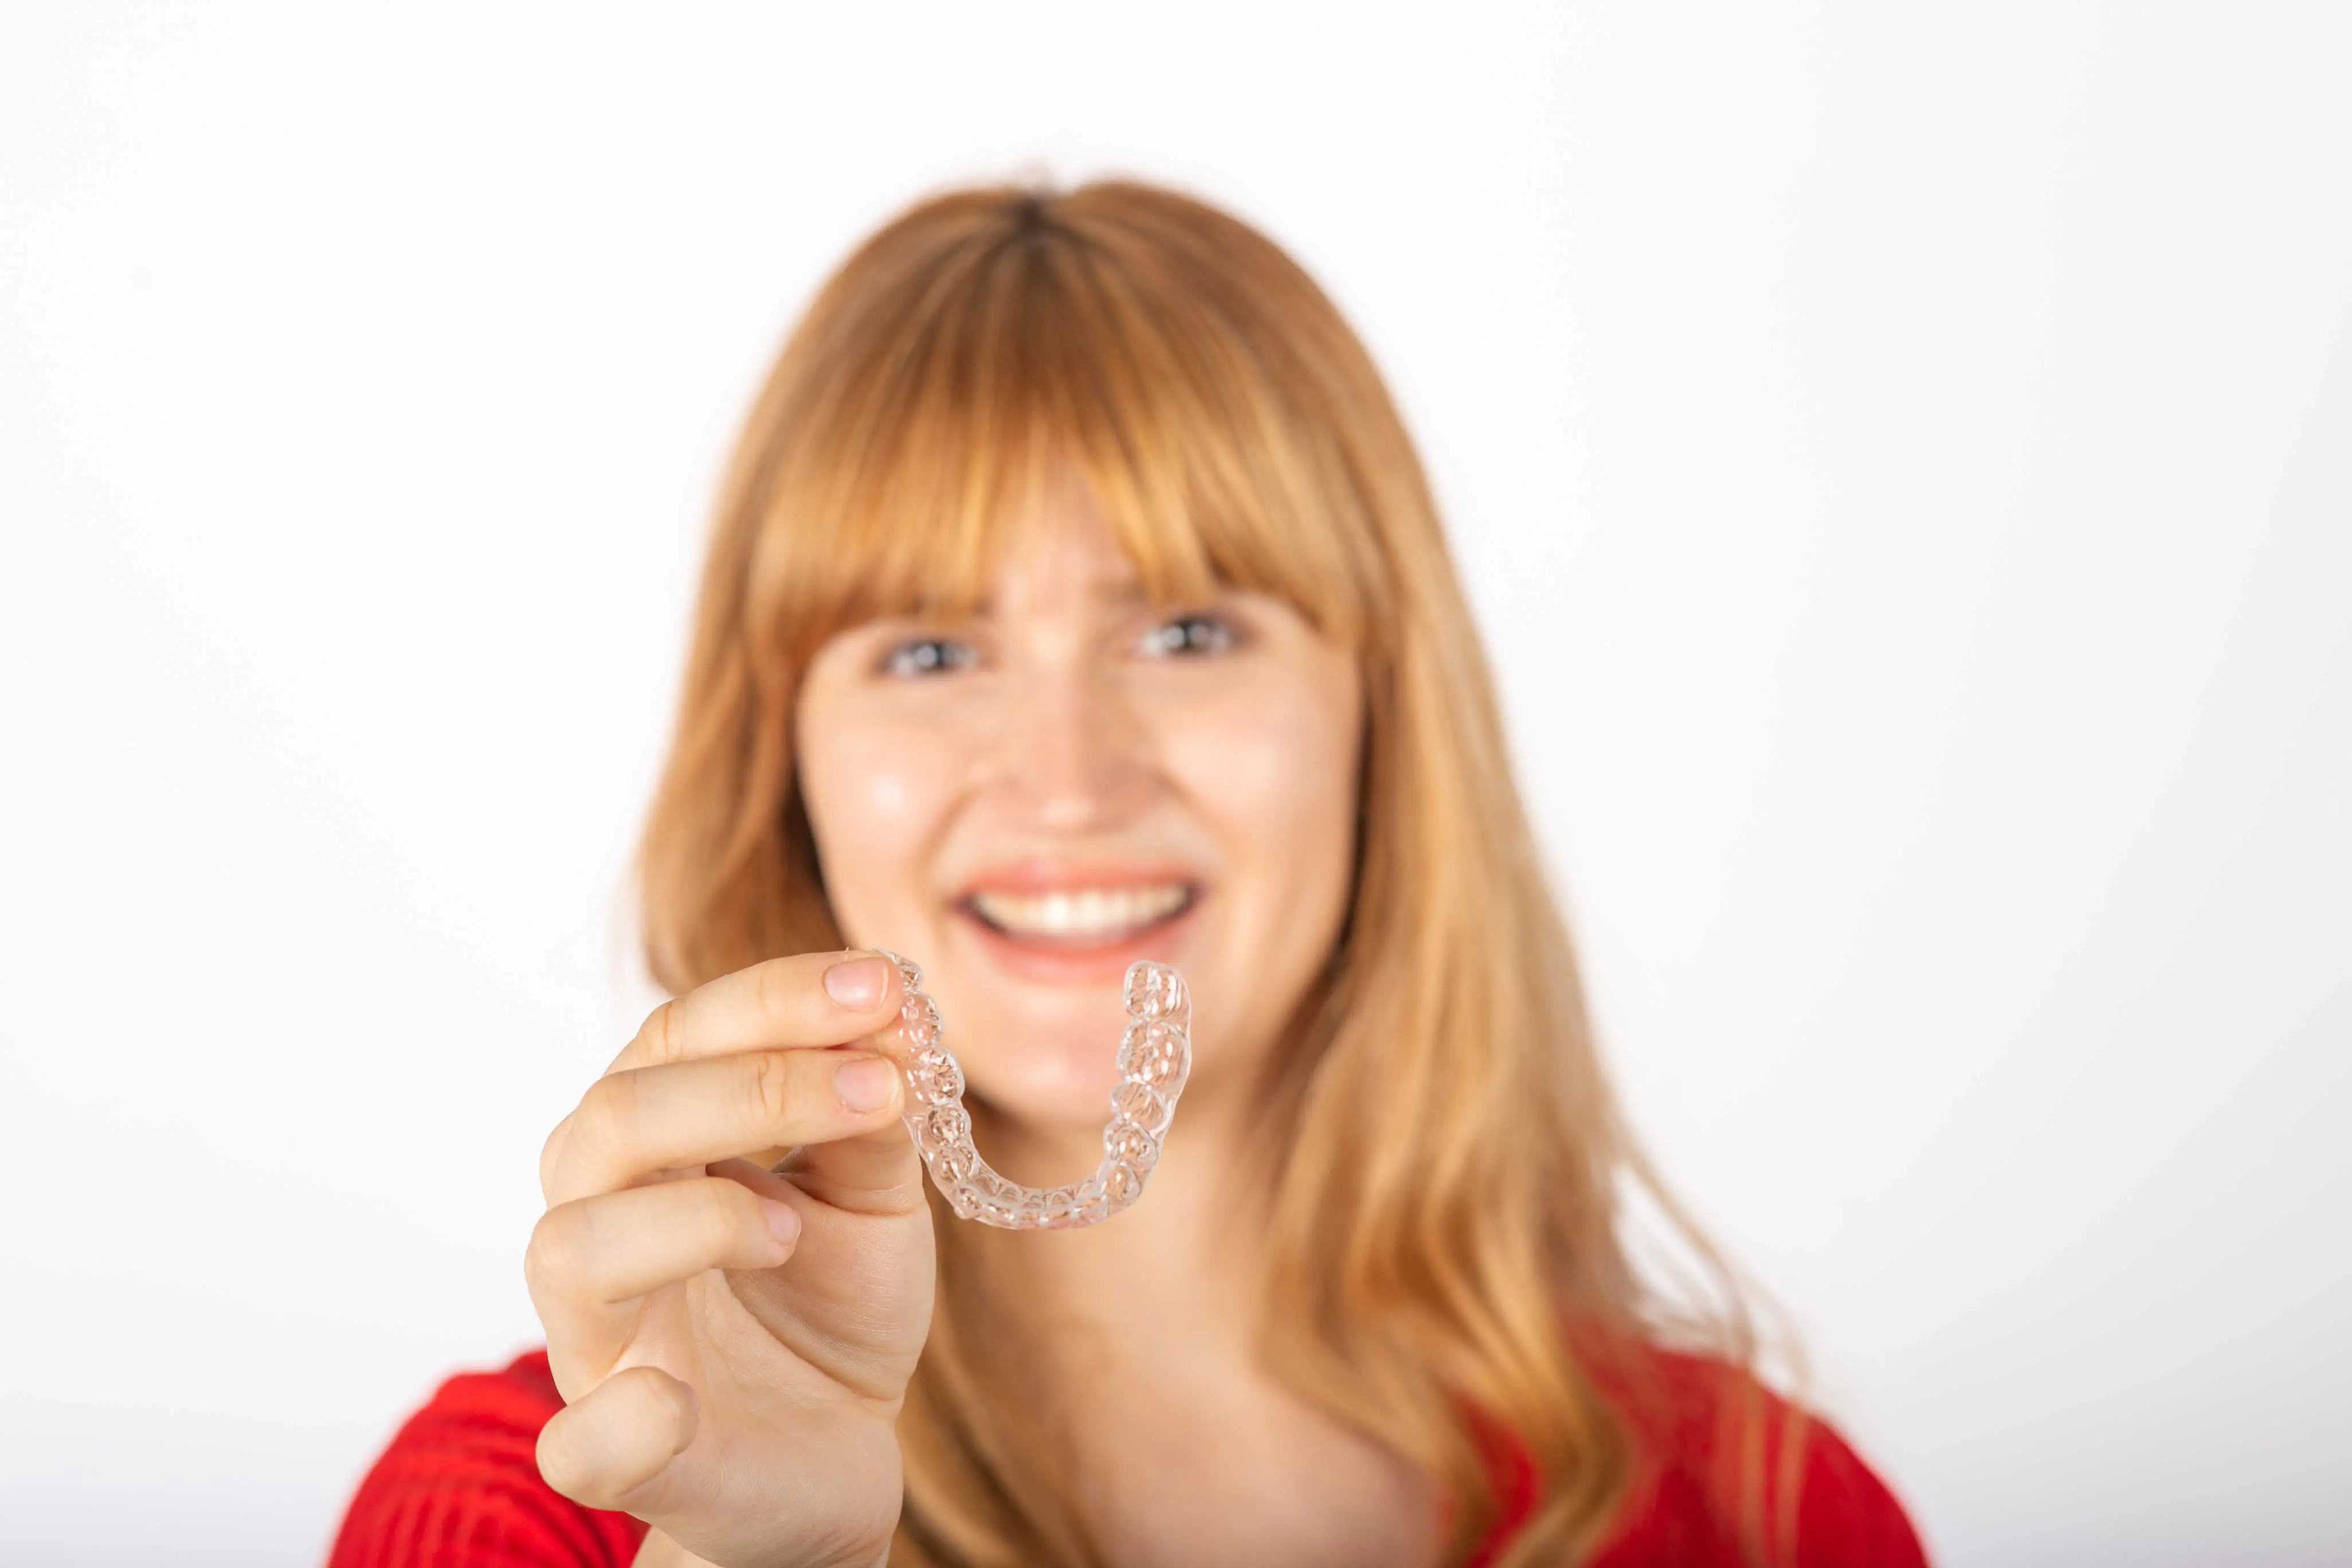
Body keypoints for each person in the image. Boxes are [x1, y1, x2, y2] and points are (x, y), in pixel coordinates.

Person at [330, 179, 1929, 1568]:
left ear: (1384, 718)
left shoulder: (1771, 1518)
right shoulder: (537, 1509)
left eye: (1186, 631)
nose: (1066, 779)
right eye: (934, 647)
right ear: (786, 770)